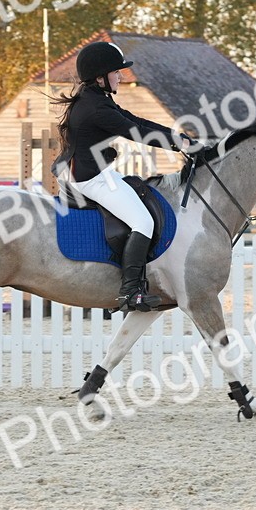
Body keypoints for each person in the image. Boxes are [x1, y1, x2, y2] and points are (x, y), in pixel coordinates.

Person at [53, 41, 191, 312]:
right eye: (116, 72)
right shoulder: (96, 108)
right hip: (89, 179)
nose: (121, 76)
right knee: (143, 221)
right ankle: (130, 292)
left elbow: (138, 121)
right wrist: (181, 145)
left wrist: (180, 139)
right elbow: (135, 131)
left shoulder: (97, 99)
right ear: (100, 76)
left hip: (92, 172)